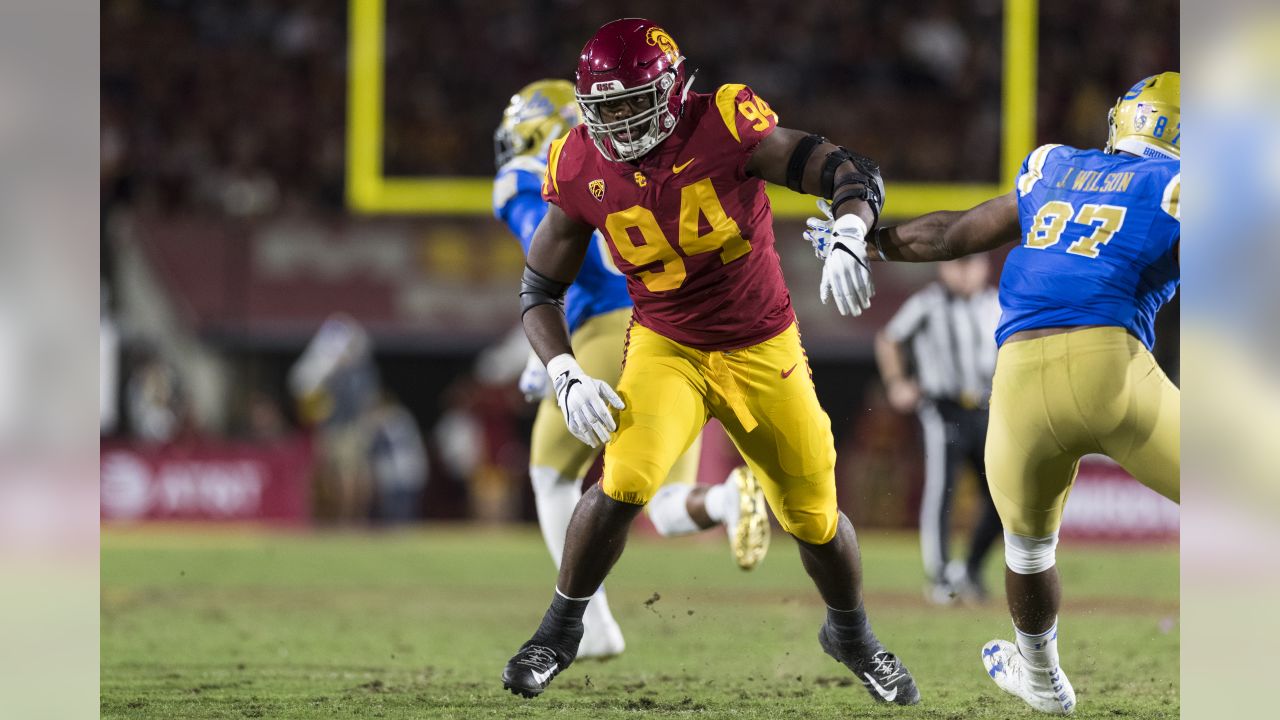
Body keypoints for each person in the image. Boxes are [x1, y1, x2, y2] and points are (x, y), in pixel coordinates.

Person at [502, 19, 919, 706]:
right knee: (623, 480)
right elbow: (539, 288)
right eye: (606, 110)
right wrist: (564, 370)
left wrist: (850, 225)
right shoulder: (578, 162)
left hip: (762, 344)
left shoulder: (724, 120)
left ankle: (851, 634)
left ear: (669, 92)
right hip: (667, 344)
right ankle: (560, 630)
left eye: (634, 104)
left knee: (814, 515)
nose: (621, 124)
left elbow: (845, 167)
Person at [806, 71, 1180, 715]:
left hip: (1018, 385)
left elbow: (952, 234)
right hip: (1113, 370)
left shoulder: (1053, 167)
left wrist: (867, 243)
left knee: (1027, 551)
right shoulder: (1181, 186)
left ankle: (1039, 675)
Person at [493, 78, 773, 660]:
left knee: (550, 476)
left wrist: (543, 355)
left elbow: (547, 273)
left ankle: (592, 628)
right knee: (666, 506)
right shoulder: (627, 162)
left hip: (603, 328)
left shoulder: (534, 176)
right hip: (667, 329)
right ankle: (724, 501)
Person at [874, 256, 1004, 604]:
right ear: (944, 268)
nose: (964, 272)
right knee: (942, 493)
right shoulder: (928, 302)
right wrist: (897, 382)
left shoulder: (997, 302)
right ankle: (941, 576)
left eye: (971, 264)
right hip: (943, 408)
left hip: (986, 408)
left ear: (985, 267)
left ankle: (971, 569)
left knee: (1002, 497)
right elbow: (889, 339)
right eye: (957, 264)